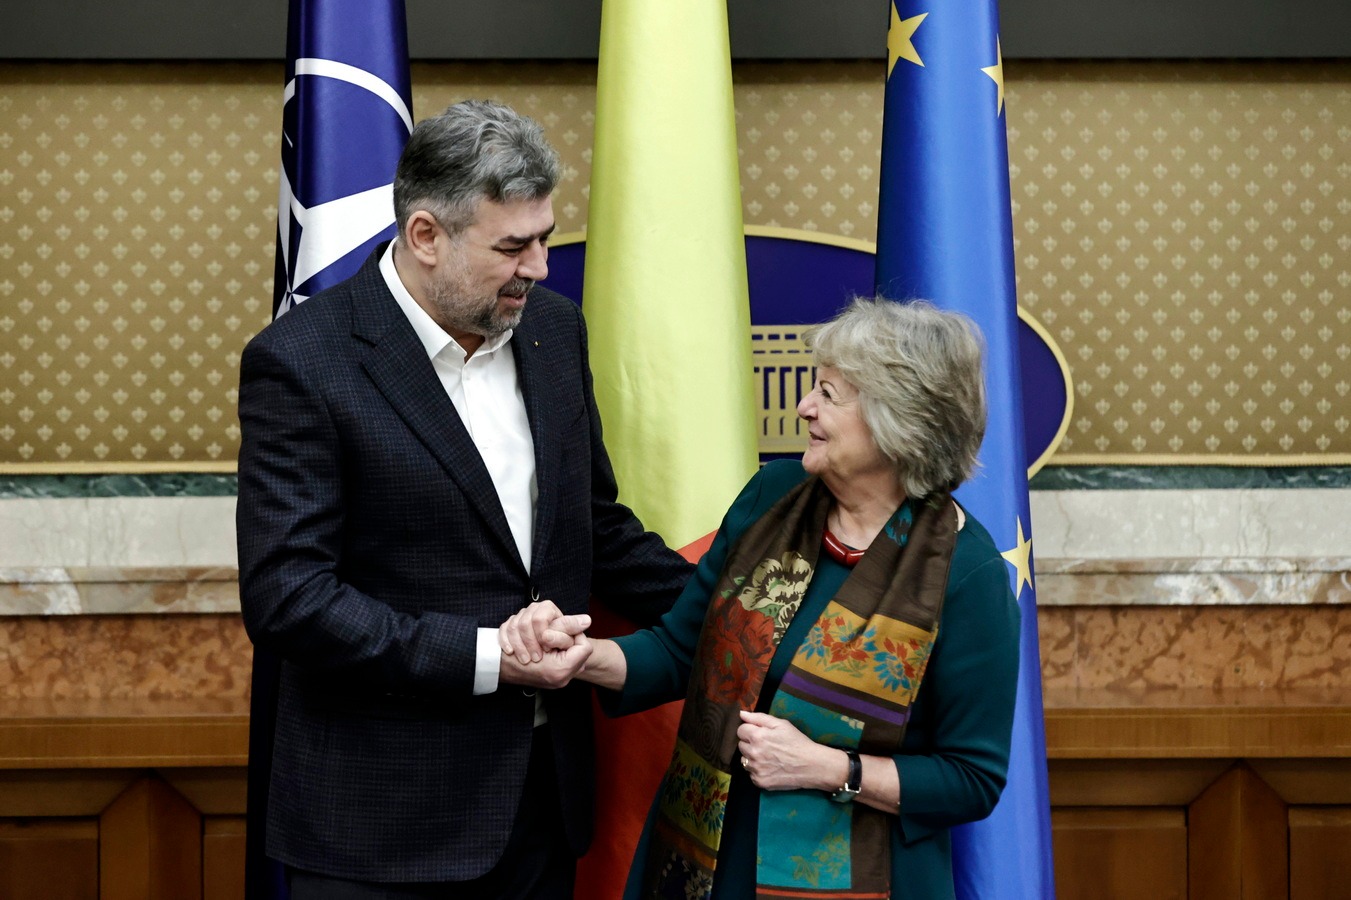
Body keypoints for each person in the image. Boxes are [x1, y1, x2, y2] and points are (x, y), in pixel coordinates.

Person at [235, 99, 693, 899]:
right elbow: (290, 598)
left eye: (544, 237)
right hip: (382, 830)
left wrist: (750, 610)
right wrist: (490, 658)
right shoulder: (304, 362)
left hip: (541, 808)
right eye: (512, 247)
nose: (538, 267)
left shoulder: (553, 332)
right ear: (425, 236)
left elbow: (593, 529)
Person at [504, 296, 1021, 899]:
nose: (804, 407)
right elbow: (681, 651)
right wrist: (582, 656)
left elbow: (971, 779)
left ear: (896, 421)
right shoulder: (773, 497)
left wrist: (828, 768)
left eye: (828, 394)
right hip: (705, 858)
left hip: (863, 877)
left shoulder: (964, 572)